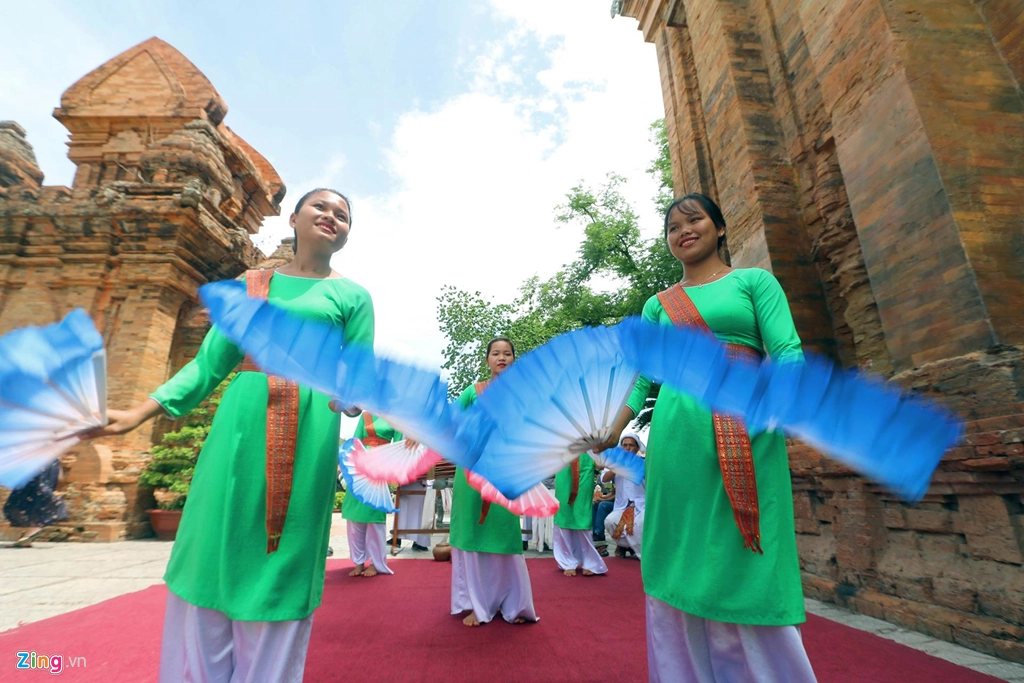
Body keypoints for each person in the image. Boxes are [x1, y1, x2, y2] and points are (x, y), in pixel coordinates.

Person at [87, 188, 373, 683]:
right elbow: (207, 365)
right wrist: (138, 413)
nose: (332, 217)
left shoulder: (353, 296)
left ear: (348, 234)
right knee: (214, 538)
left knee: (284, 551)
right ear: (295, 217)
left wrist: (352, 396)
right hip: (239, 424)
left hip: (309, 434)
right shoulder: (251, 285)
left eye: (343, 215)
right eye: (321, 207)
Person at [598, 193, 816, 682]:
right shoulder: (658, 305)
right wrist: (614, 427)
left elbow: (786, 350)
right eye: (673, 226)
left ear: (719, 228)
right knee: (678, 549)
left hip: (746, 427)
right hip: (677, 437)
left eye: (693, 220)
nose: (683, 231)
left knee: (745, 551)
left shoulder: (753, 282)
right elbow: (641, 379)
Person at [449, 337, 538, 627]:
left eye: (508, 353)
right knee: (474, 537)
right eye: (496, 353)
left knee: (504, 536)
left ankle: (515, 604)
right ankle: (479, 604)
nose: (502, 357)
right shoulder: (472, 392)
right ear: (486, 359)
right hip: (472, 472)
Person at [342, 412, 400, 577]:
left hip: (380, 466)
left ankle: (376, 563)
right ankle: (358, 562)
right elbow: (355, 441)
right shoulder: (366, 415)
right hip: (360, 467)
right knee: (354, 517)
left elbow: (399, 446)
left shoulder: (396, 417)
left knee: (374, 518)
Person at [553, 452, 608, 577]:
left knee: (583, 513)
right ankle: (567, 562)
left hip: (586, 461)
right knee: (564, 513)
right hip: (563, 462)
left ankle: (590, 562)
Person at [3, 461, 68, 548]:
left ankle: (30, 533)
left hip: (41, 465)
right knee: (17, 503)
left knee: (38, 495)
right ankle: (27, 535)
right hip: (33, 466)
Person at [602, 433, 645, 559]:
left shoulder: (644, 463)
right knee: (610, 521)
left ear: (637, 448)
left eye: (631, 445)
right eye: (625, 445)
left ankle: (643, 555)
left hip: (641, 505)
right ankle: (623, 545)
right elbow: (604, 479)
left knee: (640, 524)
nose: (628, 448)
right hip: (622, 505)